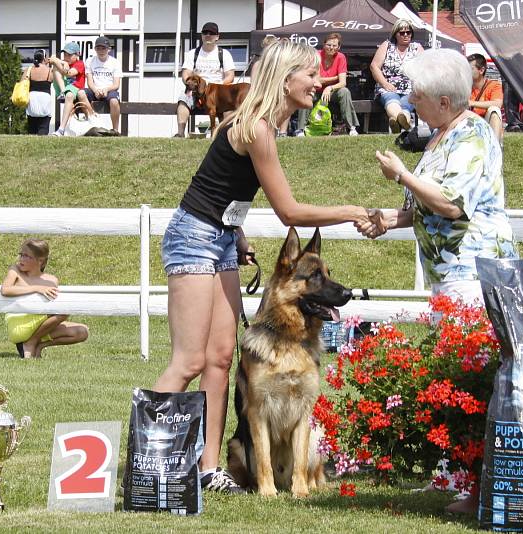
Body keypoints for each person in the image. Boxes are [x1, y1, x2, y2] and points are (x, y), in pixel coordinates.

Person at [154, 39, 370, 494]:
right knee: (189, 360)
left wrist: (238, 235)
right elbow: (289, 212)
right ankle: (149, 462)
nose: (318, 82)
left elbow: (225, 190)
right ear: (285, 78)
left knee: (220, 358)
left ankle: (209, 469)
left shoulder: (260, 125)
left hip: (223, 239)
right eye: (310, 75)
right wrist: (350, 210)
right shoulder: (256, 128)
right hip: (194, 238)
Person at [359, 49, 518, 513]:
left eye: (418, 95)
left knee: (473, 379)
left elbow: (451, 203)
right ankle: (457, 474)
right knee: (455, 375)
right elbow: (426, 208)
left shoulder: (473, 136)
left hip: (476, 272)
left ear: (445, 101)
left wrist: (402, 174)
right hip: (449, 274)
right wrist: (390, 219)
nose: (410, 100)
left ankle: (478, 487)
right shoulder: (439, 137)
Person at [0, 239, 89, 359]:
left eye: (27, 256)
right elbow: (5, 290)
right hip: (19, 326)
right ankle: (32, 342)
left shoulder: (51, 280)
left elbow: (52, 308)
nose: (21, 259)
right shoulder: (15, 270)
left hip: (38, 324)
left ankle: (37, 345)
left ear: (40, 260)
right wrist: (36, 288)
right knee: (64, 311)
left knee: (83, 331)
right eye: (21, 254)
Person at [175, 22, 236, 138]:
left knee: (229, 106)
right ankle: (180, 133)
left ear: (217, 36)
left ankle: (225, 136)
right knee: (183, 99)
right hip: (195, 91)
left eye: (212, 33)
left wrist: (219, 86)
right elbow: (185, 73)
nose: (208, 35)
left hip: (216, 92)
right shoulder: (193, 53)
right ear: (202, 36)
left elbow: (230, 76)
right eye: (205, 33)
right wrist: (190, 85)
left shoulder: (224, 54)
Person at [295, 32, 359, 136]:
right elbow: (317, 80)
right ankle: (300, 129)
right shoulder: (316, 55)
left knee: (345, 92)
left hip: (331, 93)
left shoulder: (341, 57)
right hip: (315, 90)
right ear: (324, 45)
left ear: (339, 47)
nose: (331, 48)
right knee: (306, 92)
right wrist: (336, 77)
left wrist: (329, 88)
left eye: (334, 45)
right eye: (328, 45)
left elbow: (343, 83)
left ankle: (351, 127)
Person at [370, 19, 424, 134]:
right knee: (391, 99)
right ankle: (402, 123)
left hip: (410, 88)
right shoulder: (387, 45)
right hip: (388, 86)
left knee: (406, 104)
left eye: (408, 32)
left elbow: (425, 69)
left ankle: (396, 121)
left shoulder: (417, 48)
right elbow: (374, 66)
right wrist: (385, 83)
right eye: (402, 32)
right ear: (395, 34)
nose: (405, 35)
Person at [79, 36, 122, 134]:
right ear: (95, 49)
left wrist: (106, 89)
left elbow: (116, 84)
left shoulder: (115, 62)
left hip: (110, 90)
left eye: (104, 48)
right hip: (95, 90)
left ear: (109, 49)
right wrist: (95, 90)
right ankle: (92, 121)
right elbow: (90, 82)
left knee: (114, 101)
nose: (101, 51)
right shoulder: (90, 61)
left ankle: (115, 130)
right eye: (98, 48)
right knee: (81, 93)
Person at [250, 35, 289, 137]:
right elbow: (254, 85)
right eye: (267, 48)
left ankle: (283, 132)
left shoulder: (282, 64)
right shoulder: (258, 64)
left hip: (278, 92)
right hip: (263, 93)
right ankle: (266, 130)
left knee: (286, 99)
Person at [48, 42, 86, 137]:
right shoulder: (64, 62)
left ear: (77, 54)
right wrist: (62, 62)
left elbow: (69, 73)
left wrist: (57, 61)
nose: (66, 56)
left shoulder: (80, 63)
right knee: (55, 66)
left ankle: (61, 129)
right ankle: (62, 92)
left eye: (69, 55)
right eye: (65, 54)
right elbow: (52, 58)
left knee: (69, 95)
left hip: (75, 87)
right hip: (63, 87)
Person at [467, 53, 503, 141]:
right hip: (468, 123)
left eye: (470, 69)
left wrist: (471, 103)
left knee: (494, 111)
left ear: (481, 70)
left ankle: (495, 149)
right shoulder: (464, 86)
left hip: (486, 124)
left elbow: (498, 103)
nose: (466, 71)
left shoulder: (494, 85)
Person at [25, 50, 54, 135]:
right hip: (45, 98)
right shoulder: (49, 70)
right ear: (44, 58)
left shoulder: (29, 69)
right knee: (44, 123)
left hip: (32, 98)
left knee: (32, 124)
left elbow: (22, 83)